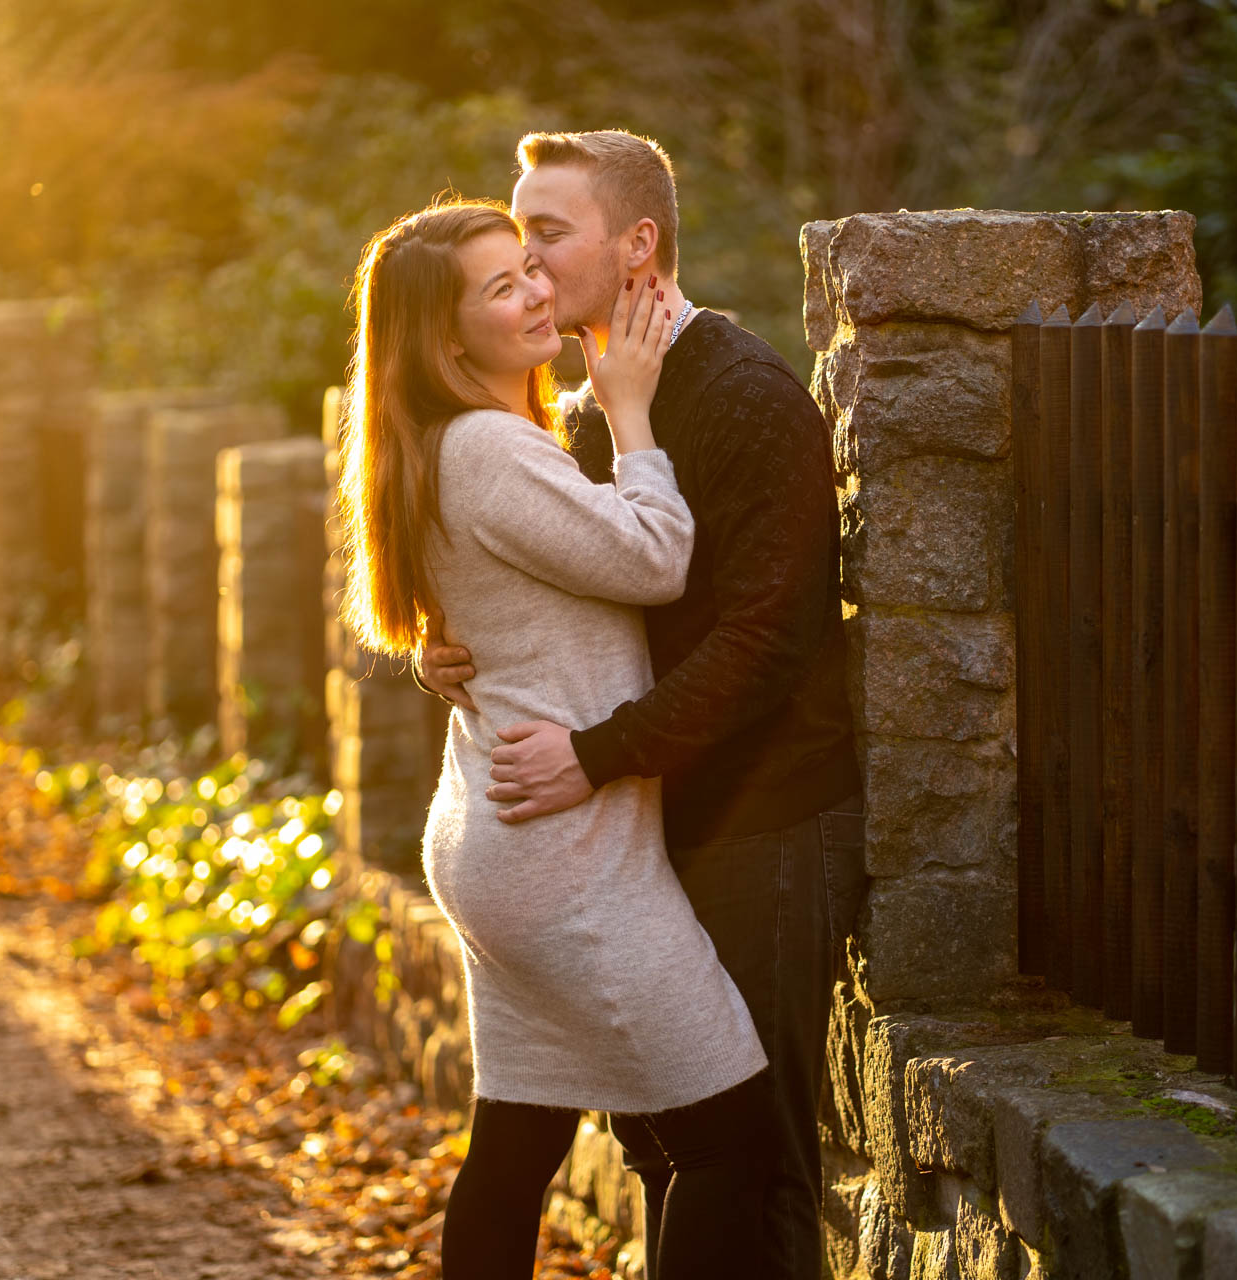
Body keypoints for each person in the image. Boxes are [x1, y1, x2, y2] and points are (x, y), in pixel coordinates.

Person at [418, 131, 866, 1279]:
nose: (526, 262)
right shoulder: (587, 411)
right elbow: (556, 589)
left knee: (750, 1156)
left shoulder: (745, 395)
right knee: (670, 1148)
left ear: (639, 245)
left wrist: (602, 751)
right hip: (639, 824)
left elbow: (766, 643)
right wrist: (453, 646)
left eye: (546, 235)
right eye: (513, 242)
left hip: (761, 819)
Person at [336, 197, 776, 1279]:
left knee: (520, 1136)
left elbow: (483, 624)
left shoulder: (441, 444)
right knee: (732, 1135)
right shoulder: (489, 448)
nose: (536, 291)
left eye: (529, 267)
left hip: (499, 831)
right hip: (561, 857)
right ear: (448, 340)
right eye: (501, 287)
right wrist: (631, 410)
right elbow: (655, 560)